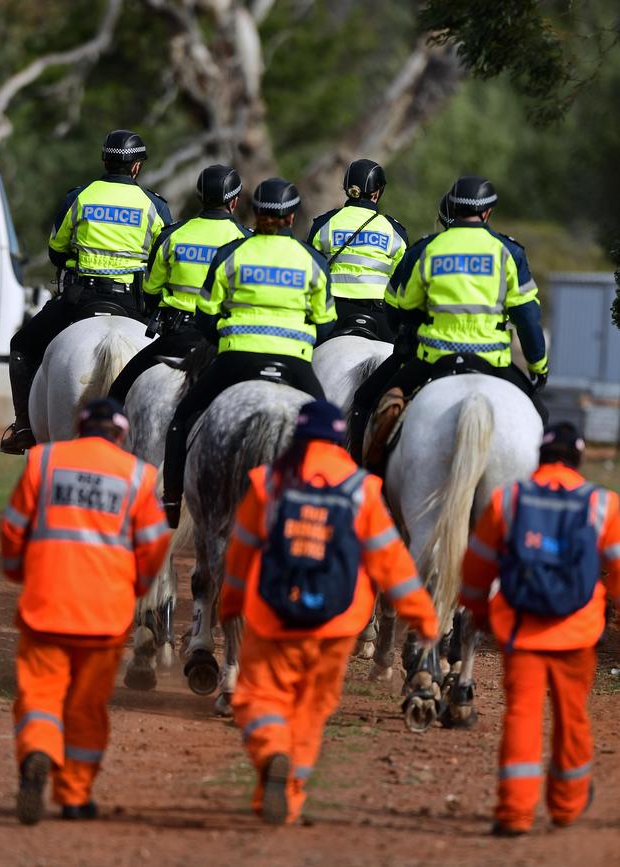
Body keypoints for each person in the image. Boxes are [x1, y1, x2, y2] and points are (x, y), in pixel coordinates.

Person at [220, 399, 439, 824]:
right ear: (341, 440)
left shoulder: (269, 483)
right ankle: (293, 790)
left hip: (273, 617)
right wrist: (423, 616)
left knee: (258, 697)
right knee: (312, 707)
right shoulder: (361, 490)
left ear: (296, 439)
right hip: (338, 622)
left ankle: (271, 749)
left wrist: (229, 603)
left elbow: (241, 553)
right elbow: (390, 561)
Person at [0, 398, 171, 825]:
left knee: (39, 695)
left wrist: (19, 570)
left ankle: (38, 748)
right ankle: (75, 796)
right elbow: (153, 546)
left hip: (46, 605)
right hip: (105, 615)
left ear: (79, 427)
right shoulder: (138, 475)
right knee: (86, 707)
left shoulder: (44, 460)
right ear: (120, 433)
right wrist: (137, 587)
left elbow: (13, 529)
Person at [460, 422, 620, 836]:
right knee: (573, 718)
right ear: (578, 459)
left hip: (521, 632)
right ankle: (566, 805)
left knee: (522, 716)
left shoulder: (510, 500)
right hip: (578, 633)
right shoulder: (603, 504)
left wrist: (477, 611)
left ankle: (514, 811)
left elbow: (477, 566)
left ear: (541, 456)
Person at [161, 177, 337, 528]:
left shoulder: (233, 253)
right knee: (332, 431)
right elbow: (327, 322)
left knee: (182, 418)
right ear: (290, 218)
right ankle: (332, 508)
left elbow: (206, 314)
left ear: (256, 213)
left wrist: (224, 338)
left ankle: (171, 498)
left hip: (235, 358)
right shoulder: (311, 260)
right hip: (293, 363)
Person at [349, 176, 549, 464]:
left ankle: (369, 478)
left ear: (451, 208)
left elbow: (398, 305)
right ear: (487, 211)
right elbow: (528, 317)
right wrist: (538, 366)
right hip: (491, 359)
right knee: (539, 415)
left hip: (432, 357)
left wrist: (405, 336)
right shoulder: (508, 252)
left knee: (369, 400)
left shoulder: (425, 249)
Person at [1, 130, 172, 455]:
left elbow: (56, 250)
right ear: (136, 167)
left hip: (80, 300)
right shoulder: (154, 206)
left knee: (21, 346)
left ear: (105, 161)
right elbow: (163, 258)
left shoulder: (79, 197)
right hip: (133, 303)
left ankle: (23, 427)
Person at [108, 164, 251, 404]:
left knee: (118, 391)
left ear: (200, 196)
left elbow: (151, 290)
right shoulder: (247, 240)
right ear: (234, 202)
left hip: (177, 335)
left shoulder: (173, 235)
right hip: (225, 340)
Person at [307, 159, 408, 341]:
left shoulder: (324, 223)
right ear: (377, 192)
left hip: (334, 311)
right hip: (379, 313)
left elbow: (311, 270)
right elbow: (400, 280)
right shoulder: (395, 231)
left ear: (347, 188)